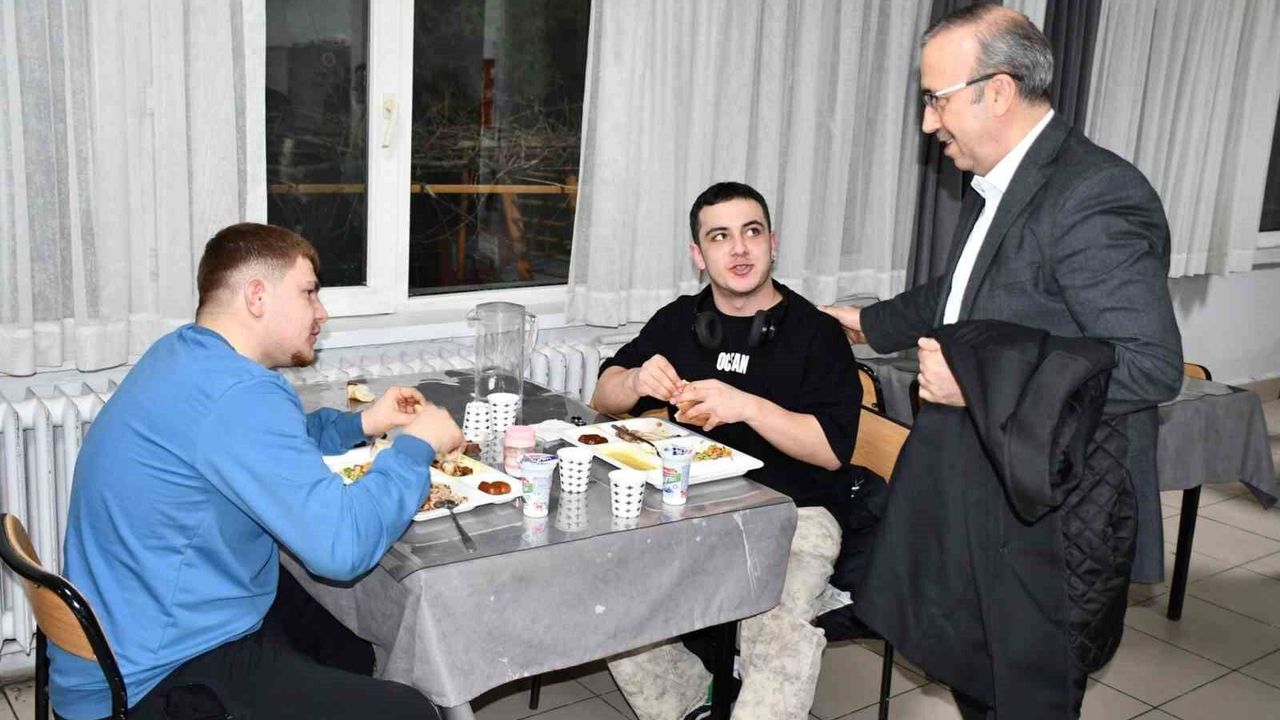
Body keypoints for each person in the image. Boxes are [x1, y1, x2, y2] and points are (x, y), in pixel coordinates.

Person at [822, 6, 1182, 718]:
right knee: (976, 679)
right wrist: (869, 323)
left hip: (1053, 515)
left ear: (999, 90)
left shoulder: (1093, 196)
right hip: (987, 489)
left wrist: (977, 382)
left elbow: (1150, 365)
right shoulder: (1001, 179)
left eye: (936, 99)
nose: (928, 122)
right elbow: (968, 290)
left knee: (1022, 697)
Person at [51, 223, 464, 720]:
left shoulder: (185, 354)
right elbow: (342, 549)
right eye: (308, 293)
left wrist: (363, 423)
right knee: (411, 711)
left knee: (346, 644)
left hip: (133, 632)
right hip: (153, 677)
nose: (321, 312)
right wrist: (417, 446)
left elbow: (268, 442)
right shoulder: (238, 393)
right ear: (256, 296)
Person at [594, 182, 862, 720]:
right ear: (699, 255)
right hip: (688, 505)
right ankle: (693, 706)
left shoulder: (817, 333)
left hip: (797, 513)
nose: (738, 249)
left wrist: (748, 406)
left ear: (772, 243)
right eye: (719, 236)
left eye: (751, 232)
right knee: (609, 590)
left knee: (777, 624)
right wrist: (636, 379)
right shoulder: (679, 320)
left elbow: (832, 451)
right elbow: (603, 396)